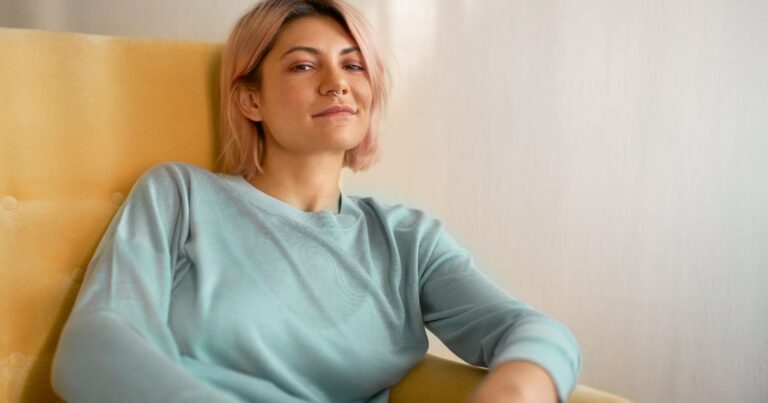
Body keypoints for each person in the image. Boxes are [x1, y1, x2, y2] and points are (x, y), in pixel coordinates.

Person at [50, 1, 582, 402]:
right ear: (250, 99)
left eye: (353, 66)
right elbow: (92, 348)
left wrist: (515, 388)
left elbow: (527, 328)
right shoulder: (181, 195)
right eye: (304, 67)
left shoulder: (406, 241)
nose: (337, 85)